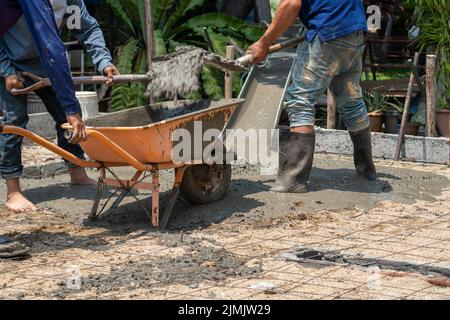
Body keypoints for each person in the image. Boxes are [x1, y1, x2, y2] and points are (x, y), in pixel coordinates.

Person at [0, 0, 117, 258]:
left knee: (64, 116)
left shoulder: (69, 2)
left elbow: (87, 29)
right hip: (10, 57)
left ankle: (76, 170)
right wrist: (6, 69)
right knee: (14, 121)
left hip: (47, 59)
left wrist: (103, 61)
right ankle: (13, 190)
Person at [247, 0, 377, 193]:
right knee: (351, 101)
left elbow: (291, 3)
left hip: (328, 33)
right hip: (354, 35)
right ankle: (367, 171)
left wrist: (264, 43)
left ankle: (293, 181)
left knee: (300, 100)